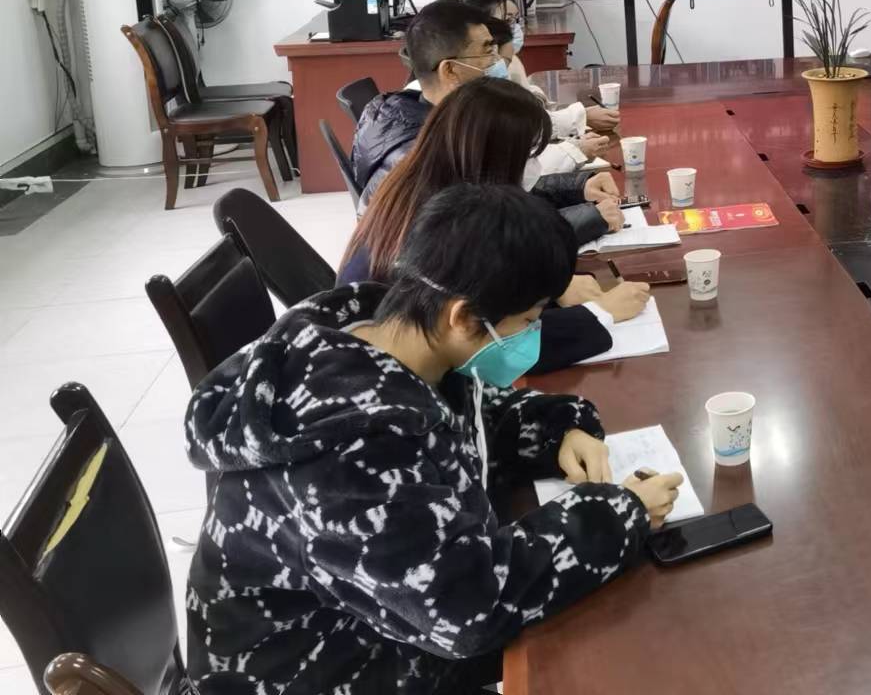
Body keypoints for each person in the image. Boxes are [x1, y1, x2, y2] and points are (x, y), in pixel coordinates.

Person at [186, 184, 683, 695]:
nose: (531, 335)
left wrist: (556, 430)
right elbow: (465, 608)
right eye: (529, 321)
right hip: (318, 672)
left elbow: (455, 421)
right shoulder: (349, 451)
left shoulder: (387, 333)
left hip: (379, 629)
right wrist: (617, 516)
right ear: (463, 317)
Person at [339, 78, 640, 371]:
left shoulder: (431, 175)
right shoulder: (440, 224)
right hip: (392, 367)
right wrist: (600, 314)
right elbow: (486, 342)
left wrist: (576, 188)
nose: (535, 166)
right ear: (493, 158)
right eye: (529, 156)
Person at [351, 0, 620, 236]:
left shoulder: (437, 117)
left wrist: (577, 188)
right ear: (450, 70)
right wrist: (590, 219)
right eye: (487, 52)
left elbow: (501, 195)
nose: (498, 62)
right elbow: (488, 243)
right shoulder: (430, 154)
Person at [460, 0, 619, 143]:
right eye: (508, 20)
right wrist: (580, 119)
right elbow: (518, 129)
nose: (516, 28)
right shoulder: (473, 74)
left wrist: (535, 97)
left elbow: (520, 101)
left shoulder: (509, 58)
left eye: (517, 20)